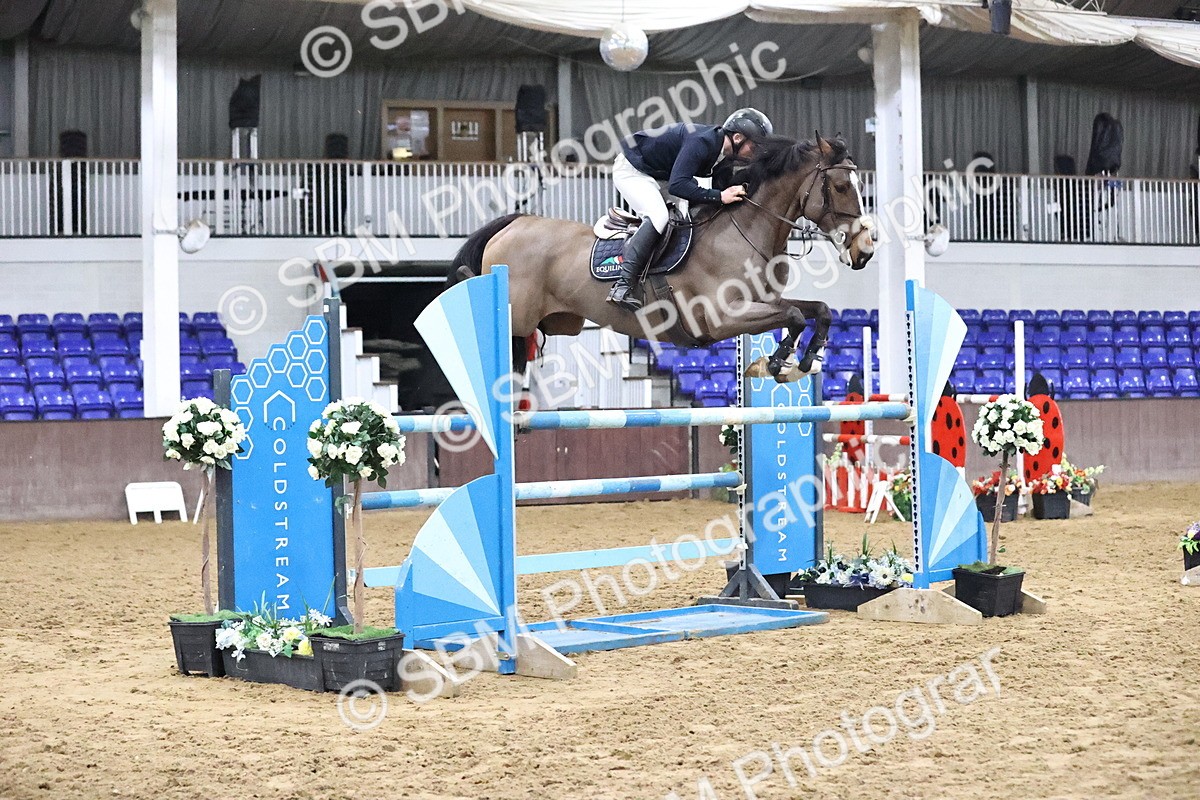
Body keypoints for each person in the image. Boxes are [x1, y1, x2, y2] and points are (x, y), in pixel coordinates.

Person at [606, 108, 774, 312]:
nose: (755, 154)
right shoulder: (702, 142)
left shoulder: (724, 158)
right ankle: (623, 286)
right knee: (659, 217)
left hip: (663, 175)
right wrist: (720, 196)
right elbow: (679, 186)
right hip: (633, 169)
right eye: (754, 148)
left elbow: (718, 191)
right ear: (738, 138)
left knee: (690, 218)